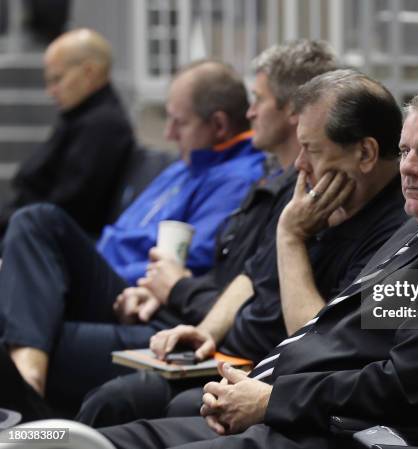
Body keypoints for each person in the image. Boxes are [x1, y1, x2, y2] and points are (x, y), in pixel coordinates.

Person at [99, 86, 418, 449]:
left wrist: (271, 400)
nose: (408, 167)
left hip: (336, 434)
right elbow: (351, 336)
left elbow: (407, 386)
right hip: (300, 415)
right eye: (404, 151)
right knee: (98, 436)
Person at [77, 67, 407, 427]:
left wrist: (291, 239)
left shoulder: (394, 230)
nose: (299, 164)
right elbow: (252, 274)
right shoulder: (318, 196)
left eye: (311, 149)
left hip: (289, 385)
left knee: (166, 406)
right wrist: (206, 331)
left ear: (366, 154)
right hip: (230, 355)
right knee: (110, 401)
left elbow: (318, 344)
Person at [0, 59, 264, 407]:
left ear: (217, 124)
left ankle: (29, 391)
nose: (168, 133)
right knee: (32, 236)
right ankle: (29, 399)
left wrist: (141, 287)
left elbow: (192, 261)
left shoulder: (238, 178)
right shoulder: (185, 164)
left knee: (37, 221)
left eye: (178, 122)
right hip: (109, 279)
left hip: (142, 300)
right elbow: (120, 234)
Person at [0, 28, 135, 237]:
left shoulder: (103, 126)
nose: (50, 90)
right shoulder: (80, 117)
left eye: (57, 79)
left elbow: (66, 209)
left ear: (89, 72)